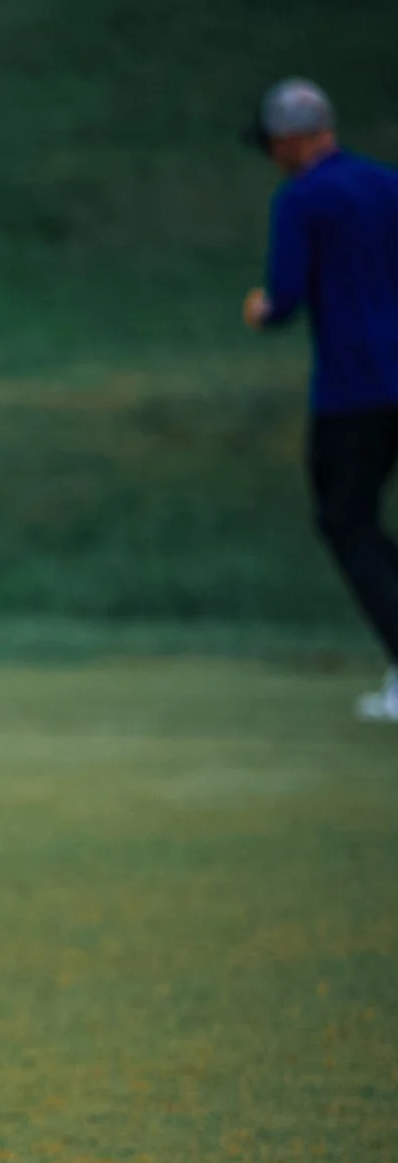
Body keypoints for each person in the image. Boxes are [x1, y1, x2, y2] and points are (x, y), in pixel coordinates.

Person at [240, 79, 398, 721]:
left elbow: (283, 297)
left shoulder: (303, 198)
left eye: (274, 144)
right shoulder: (389, 185)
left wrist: (260, 310)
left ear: (293, 139)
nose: (273, 155)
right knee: (357, 522)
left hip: (356, 388)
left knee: (344, 520)